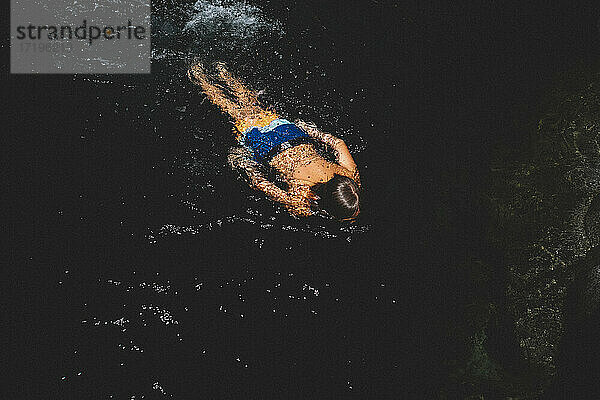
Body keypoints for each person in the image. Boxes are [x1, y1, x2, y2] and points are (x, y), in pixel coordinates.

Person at [188, 62, 361, 220]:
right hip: (266, 145)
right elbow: (261, 184)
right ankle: (199, 76)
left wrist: (307, 129)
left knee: (252, 105)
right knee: (231, 109)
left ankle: (222, 70)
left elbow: (339, 143)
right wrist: (244, 164)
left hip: (292, 133)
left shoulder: (350, 176)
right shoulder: (300, 202)